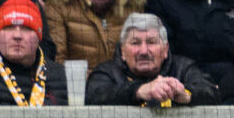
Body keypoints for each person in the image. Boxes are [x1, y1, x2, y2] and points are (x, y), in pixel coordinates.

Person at [85, 12, 219, 105]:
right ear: (122, 51)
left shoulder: (183, 68)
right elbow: (93, 96)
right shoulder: (106, 72)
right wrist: (139, 91)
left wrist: (185, 94)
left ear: (165, 49)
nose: (143, 51)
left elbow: (212, 92)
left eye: (151, 42)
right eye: (135, 43)